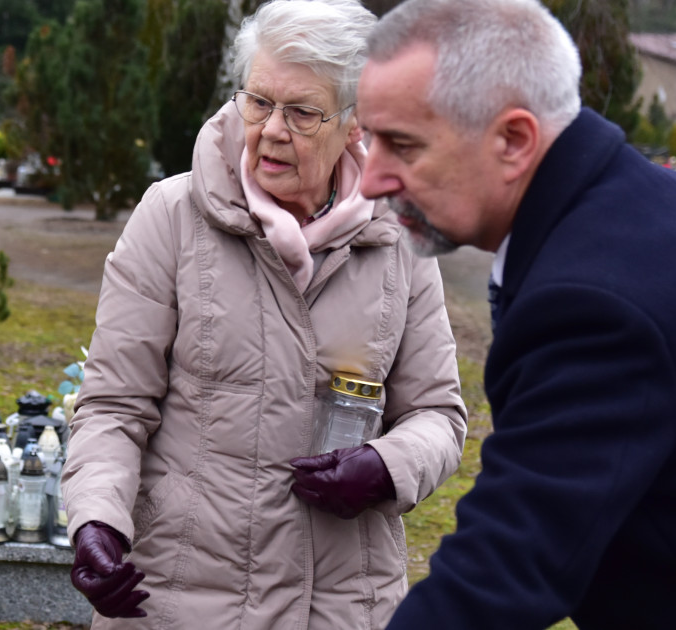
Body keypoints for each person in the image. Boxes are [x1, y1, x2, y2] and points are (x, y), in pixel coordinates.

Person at [355, 0, 676, 628]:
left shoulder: (596, 305)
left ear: (515, 140)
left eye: (402, 145)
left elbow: (502, 575)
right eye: (369, 138)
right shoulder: (668, 211)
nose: (370, 180)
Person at [61, 1, 466, 628]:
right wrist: (95, 519)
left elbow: (438, 415)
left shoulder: (401, 236)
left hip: (336, 606)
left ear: (356, 124)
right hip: (178, 600)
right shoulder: (172, 216)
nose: (273, 129)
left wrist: (387, 467)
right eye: (258, 102)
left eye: (303, 112)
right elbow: (114, 405)